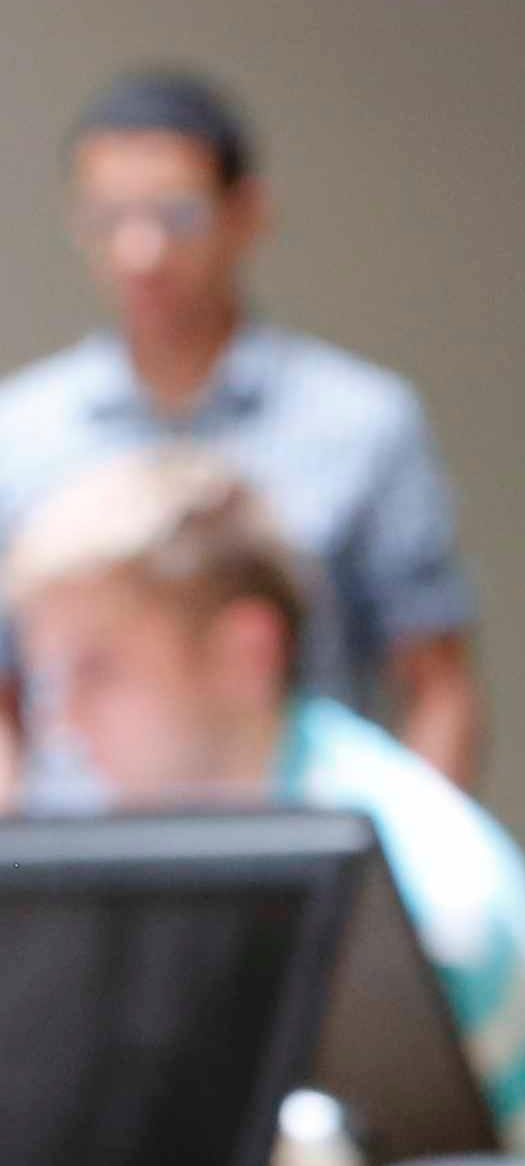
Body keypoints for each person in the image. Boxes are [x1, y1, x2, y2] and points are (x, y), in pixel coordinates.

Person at [2, 446, 525, 1166]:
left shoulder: (410, 889)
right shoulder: (245, 827)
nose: (64, 724)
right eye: (49, 683)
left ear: (245, 652)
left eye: (98, 670)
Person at [0, 68, 485, 801]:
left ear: (245, 213)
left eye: (177, 214)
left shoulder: (360, 423)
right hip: (78, 876)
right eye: (107, 218)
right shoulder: (19, 432)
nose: (141, 251)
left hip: (295, 870)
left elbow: (438, 686)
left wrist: (408, 865)